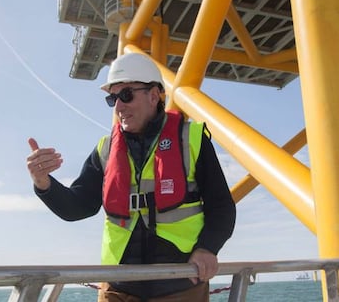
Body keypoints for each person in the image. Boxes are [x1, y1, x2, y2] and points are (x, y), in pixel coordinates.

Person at [26, 53, 236, 302]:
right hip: (118, 288)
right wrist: (43, 182)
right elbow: (77, 207)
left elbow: (221, 207)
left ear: (154, 95)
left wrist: (207, 248)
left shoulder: (192, 140)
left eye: (126, 95)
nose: (118, 106)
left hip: (180, 286)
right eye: (112, 98)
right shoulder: (105, 150)